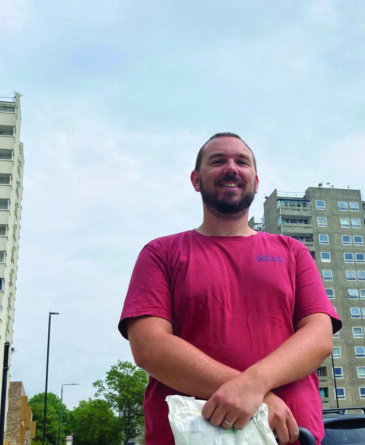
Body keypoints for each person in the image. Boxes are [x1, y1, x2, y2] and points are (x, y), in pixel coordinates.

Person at [118, 132, 342, 444]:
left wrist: (253, 386)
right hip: (189, 434)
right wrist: (257, 397)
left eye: (242, 162)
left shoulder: (293, 251)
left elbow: (319, 338)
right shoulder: (161, 253)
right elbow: (148, 346)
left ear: (256, 180)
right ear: (196, 180)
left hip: (289, 435)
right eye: (218, 161)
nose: (231, 168)